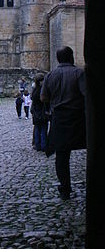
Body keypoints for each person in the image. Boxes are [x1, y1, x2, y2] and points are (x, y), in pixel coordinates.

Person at [41, 46, 86, 200]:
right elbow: (86, 93)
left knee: (61, 155)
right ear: (71, 57)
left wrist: (56, 99)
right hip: (77, 117)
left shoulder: (50, 75)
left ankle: (65, 188)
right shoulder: (79, 73)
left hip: (59, 118)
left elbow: (43, 97)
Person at [31, 74, 49, 152]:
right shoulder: (42, 90)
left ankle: (37, 145)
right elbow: (45, 101)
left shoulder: (34, 90)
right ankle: (43, 146)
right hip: (42, 112)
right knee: (43, 129)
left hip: (36, 112)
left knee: (37, 129)